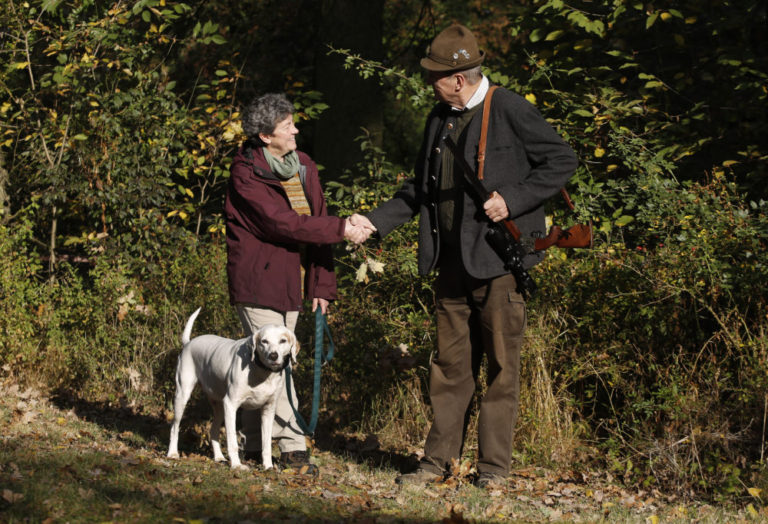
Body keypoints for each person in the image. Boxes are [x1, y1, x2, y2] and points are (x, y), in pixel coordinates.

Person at [350, 24, 577, 488]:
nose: (429, 83)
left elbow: (561, 160)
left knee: (500, 369)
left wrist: (512, 199)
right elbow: (420, 189)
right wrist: (375, 221)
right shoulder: (440, 118)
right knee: (450, 368)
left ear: (459, 78)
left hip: (498, 264)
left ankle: (493, 470)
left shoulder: (511, 108)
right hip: (450, 263)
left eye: (435, 76)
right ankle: (436, 463)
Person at [225, 93, 368, 475]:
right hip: (258, 282)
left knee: (265, 366)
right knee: (276, 364)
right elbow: (281, 223)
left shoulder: (303, 165)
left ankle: (255, 445)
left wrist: (321, 285)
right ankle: (292, 448)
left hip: (296, 281)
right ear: (265, 135)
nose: (296, 130)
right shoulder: (245, 172)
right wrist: (343, 227)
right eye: (288, 125)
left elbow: (315, 222)